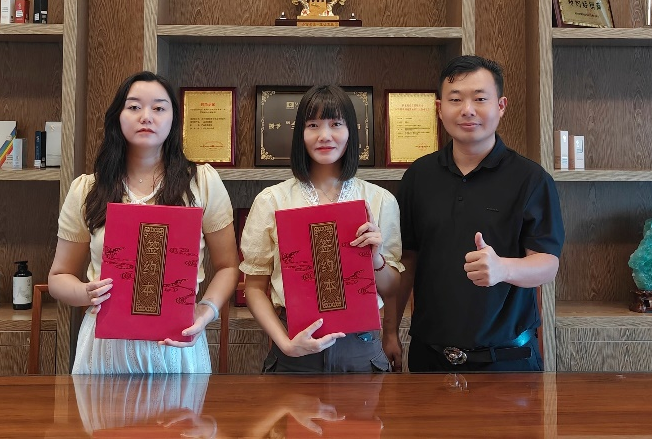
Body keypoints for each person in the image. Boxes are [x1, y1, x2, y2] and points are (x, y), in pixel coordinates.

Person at [49, 71, 239, 373]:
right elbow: (58, 277)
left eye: (159, 108)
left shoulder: (202, 182)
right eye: (134, 107)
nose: (146, 116)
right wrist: (85, 292)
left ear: (174, 119)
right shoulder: (87, 189)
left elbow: (228, 266)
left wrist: (206, 310)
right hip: (106, 346)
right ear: (118, 116)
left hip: (177, 344)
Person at [383, 55, 564, 372]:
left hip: (508, 360)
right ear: (439, 109)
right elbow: (407, 262)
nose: (467, 109)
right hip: (430, 358)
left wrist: (503, 268)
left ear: (501, 106)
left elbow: (547, 264)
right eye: (455, 100)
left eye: (480, 99)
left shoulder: (531, 179)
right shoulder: (418, 177)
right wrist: (389, 332)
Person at [240, 84, 403, 373]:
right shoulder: (272, 200)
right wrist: (285, 342)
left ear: (351, 132)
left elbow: (391, 289)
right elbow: (254, 287)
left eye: (336, 124)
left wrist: (375, 257)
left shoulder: (380, 200)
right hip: (294, 347)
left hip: (361, 348)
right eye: (313, 125)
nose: (324, 135)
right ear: (300, 135)